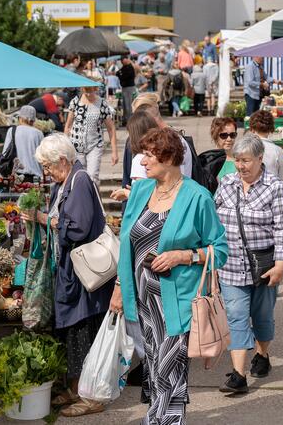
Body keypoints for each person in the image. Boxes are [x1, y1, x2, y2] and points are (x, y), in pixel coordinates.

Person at [110, 127, 228, 424]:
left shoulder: (197, 197)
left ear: (169, 157)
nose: (143, 161)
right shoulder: (140, 191)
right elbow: (127, 244)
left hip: (176, 303)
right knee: (154, 371)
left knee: (169, 371)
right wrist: (120, 286)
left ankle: (164, 420)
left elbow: (221, 249)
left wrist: (183, 256)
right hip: (143, 302)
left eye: (149, 155)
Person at [26, 134, 113, 417]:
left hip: (84, 276)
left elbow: (77, 229)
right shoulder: (65, 182)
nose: (46, 172)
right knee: (72, 333)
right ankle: (73, 389)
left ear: (63, 160)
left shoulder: (80, 181)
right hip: (71, 273)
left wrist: (43, 219)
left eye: (49, 166)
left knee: (82, 332)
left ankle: (90, 396)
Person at [215, 133, 283, 393]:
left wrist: (281, 263)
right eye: (237, 160)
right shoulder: (226, 183)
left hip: (264, 265)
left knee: (261, 317)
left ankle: (263, 353)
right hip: (231, 265)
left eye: (246, 161)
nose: (241, 166)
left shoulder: (274, 187)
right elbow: (213, 219)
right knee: (236, 316)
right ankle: (238, 374)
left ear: (260, 159)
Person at [64, 75, 119, 187]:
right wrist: (65, 148)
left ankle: (94, 202)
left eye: (91, 90)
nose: (88, 94)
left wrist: (114, 152)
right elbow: (68, 126)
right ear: (82, 89)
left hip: (94, 145)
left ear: (96, 89)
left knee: (93, 176)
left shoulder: (102, 104)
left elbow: (111, 128)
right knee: (78, 176)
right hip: (76, 146)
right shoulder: (75, 102)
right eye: (86, 91)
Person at [1, 105, 44, 179]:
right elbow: (43, 157)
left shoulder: (12, 131)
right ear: (33, 120)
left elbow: (4, 153)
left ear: (20, 118)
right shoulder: (39, 133)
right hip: (35, 176)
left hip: (16, 175)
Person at [248, 110, 283, 181]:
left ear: (252, 129)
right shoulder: (278, 151)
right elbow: (282, 177)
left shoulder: (246, 148)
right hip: (273, 189)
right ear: (270, 129)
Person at [118, 56, 138, 123]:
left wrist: (121, 75)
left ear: (126, 60)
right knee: (124, 105)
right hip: (124, 87)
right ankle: (125, 119)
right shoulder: (124, 67)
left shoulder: (130, 67)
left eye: (122, 60)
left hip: (129, 88)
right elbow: (118, 73)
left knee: (128, 104)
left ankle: (129, 120)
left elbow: (126, 76)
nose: (121, 62)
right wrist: (121, 75)